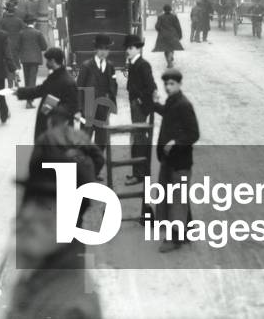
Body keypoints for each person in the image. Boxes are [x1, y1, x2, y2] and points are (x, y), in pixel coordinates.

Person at [8, 169, 103, 319]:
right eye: (26, 202)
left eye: (43, 206)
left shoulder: (70, 308)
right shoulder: (39, 273)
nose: (26, 214)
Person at [151, 68, 200, 254]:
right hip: (170, 159)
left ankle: (174, 238)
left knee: (176, 201)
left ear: (179, 84)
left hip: (180, 161)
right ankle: (186, 231)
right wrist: (156, 104)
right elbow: (168, 114)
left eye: (172, 84)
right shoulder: (173, 102)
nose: (168, 87)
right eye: (166, 84)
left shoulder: (184, 104)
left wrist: (176, 142)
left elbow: (194, 134)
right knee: (174, 196)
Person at [16, 47, 80, 142]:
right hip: (48, 124)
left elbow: (72, 106)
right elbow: (40, 90)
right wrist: (19, 92)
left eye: (48, 61)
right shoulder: (54, 76)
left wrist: (53, 108)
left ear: (53, 61)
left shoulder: (67, 81)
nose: (46, 64)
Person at [123, 34, 156, 187]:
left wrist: (140, 100)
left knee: (139, 139)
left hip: (139, 107)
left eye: (131, 48)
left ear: (138, 49)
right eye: (127, 48)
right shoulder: (133, 63)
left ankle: (139, 174)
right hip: (135, 106)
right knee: (138, 138)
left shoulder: (142, 65)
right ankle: (139, 172)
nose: (128, 51)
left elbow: (151, 86)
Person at [76, 34, 118, 149]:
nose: (103, 52)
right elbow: (79, 88)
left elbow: (113, 84)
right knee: (85, 139)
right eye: (100, 48)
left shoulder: (110, 66)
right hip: (88, 105)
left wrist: (111, 100)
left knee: (102, 140)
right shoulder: (86, 66)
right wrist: (79, 109)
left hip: (103, 106)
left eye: (106, 49)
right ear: (95, 49)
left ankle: (97, 163)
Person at [18, 15, 48, 106]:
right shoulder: (38, 33)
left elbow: (18, 46)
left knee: (27, 79)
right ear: (34, 22)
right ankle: (29, 101)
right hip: (35, 59)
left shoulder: (21, 33)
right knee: (32, 80)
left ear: (26, 23)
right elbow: (44, 46)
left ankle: (28, 98)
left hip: (25, 59)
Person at [0, 1, 26, 76]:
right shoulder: (19, 21)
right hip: (16, 45)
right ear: (14, 11)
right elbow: (24, 31)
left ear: (7, 11)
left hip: (6, 44)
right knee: (16, 61)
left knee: (8, 62)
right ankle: (16, 79)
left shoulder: (2, 21)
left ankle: (10, 82)